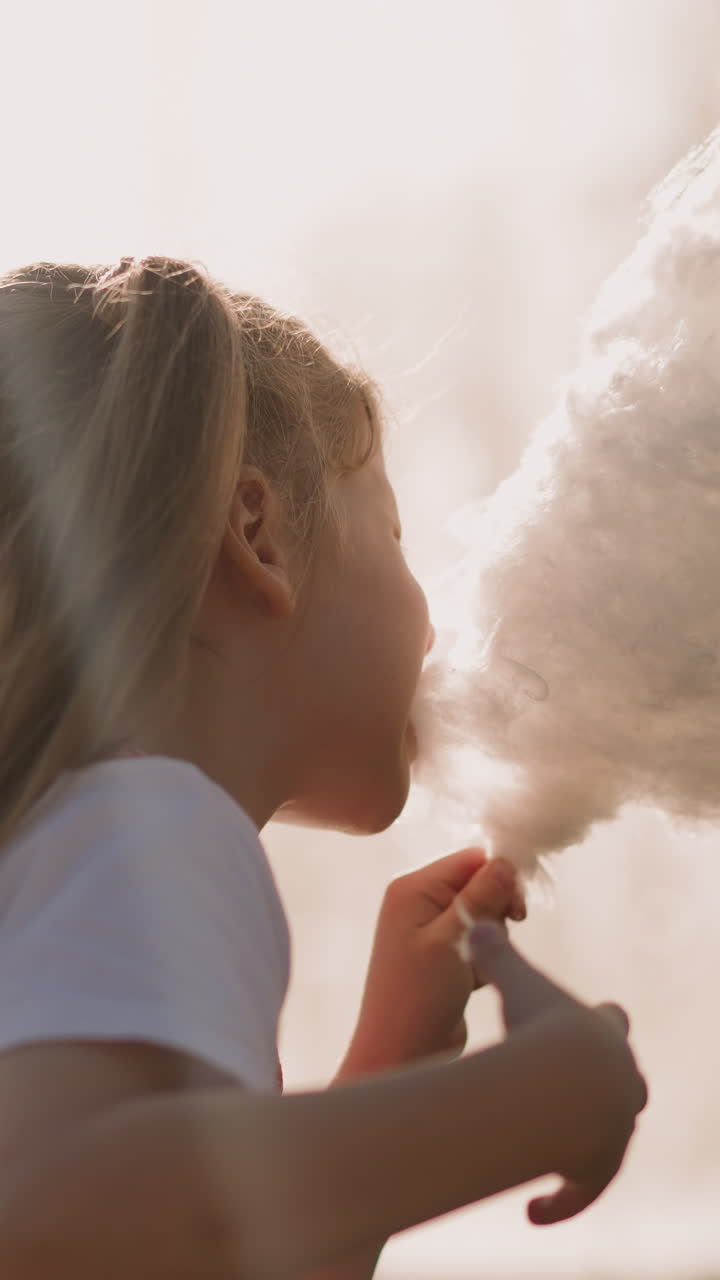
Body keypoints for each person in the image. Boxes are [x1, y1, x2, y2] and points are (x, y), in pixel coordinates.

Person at [0, 256, 647, 1280]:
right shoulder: (154, 822)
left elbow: (175, 1249)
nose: (431, 612)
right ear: (259, 535)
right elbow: (49, 1208)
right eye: (392, 530)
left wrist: (386, 1065)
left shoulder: (77, 833)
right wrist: (533, 1103)